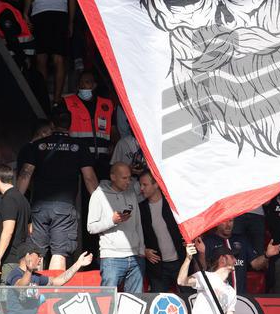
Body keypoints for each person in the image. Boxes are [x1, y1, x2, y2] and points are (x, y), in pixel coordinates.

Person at [17, 108, 99, 271]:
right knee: (59, 252)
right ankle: (53, 295)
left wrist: (16, 200)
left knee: (35, 252)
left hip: (39, 207)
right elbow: (89, 178)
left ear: (52, 124)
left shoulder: (38, 146)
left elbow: (25, 174)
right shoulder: (79, 146)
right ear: (71, 124)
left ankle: (31, 292)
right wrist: (100, 203)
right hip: (64, 207)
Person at [86, 162, 146, 294]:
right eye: (124, 178)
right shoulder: (99, 195)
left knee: (135, 301)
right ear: (113, 177)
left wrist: (141, 249)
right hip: (112, 257)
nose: (128, 181)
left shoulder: (131, 194)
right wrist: (112, 221)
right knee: (108, 300)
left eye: (129, 177)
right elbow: (91, 227)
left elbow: (138, 223)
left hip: (135, 256)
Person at [63, 71, 116, 180]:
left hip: (102, 157)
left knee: (100, 191)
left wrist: (114, 144)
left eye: (87, 82)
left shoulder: (107, 104)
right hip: (78, 155)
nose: (83, 85)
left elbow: (113, 129)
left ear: (94, 85)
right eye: (81, 82)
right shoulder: (67, 102)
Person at [137, 169, 184, 293]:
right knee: (158, 303)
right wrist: (144, 250)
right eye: (140, 185)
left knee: (188, 300)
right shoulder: (141, 208)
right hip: (158, 266)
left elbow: (187, 225)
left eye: (145, 185)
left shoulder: (172, 203)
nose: (141, 188)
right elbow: (135, 234)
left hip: (180, 262)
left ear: (156, 184)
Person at [0, 164, 32, 285]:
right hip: (21, 260)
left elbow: (8, 230)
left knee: (6, 300)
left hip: (9, 261)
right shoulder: (23, 200)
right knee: (18, 300)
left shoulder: (9, 200)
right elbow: (30, 230)